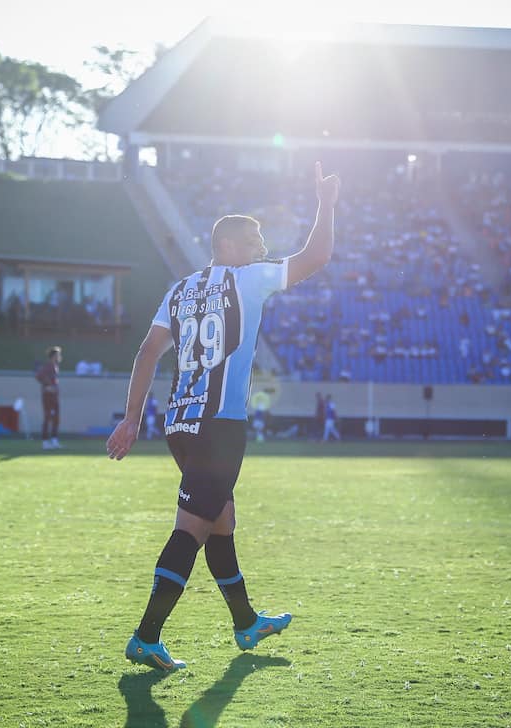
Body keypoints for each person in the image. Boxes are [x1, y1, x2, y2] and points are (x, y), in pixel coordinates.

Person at [107, 161, 340, 672]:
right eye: (255, 239)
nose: (262, 246)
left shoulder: (180, 290)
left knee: (220, 522)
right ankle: (146, 636)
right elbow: (318, 255)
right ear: (230, 246)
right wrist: (325, 203)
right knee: (191, 528)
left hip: (180, 423)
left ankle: (246, 622)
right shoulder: (250, 279)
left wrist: (130, 419)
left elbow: (148, 353)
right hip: (220, 427)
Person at [35, 346, 61, 450]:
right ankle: (45, 442)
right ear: (54, 356)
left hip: (54, 395)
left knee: (56, 418)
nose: (59, 356)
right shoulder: (48, 366)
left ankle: (54, 440)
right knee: (47, 417)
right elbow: (39, 376)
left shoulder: (55, 366)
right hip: (48, 395)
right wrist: (48, 385)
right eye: (58, 354)